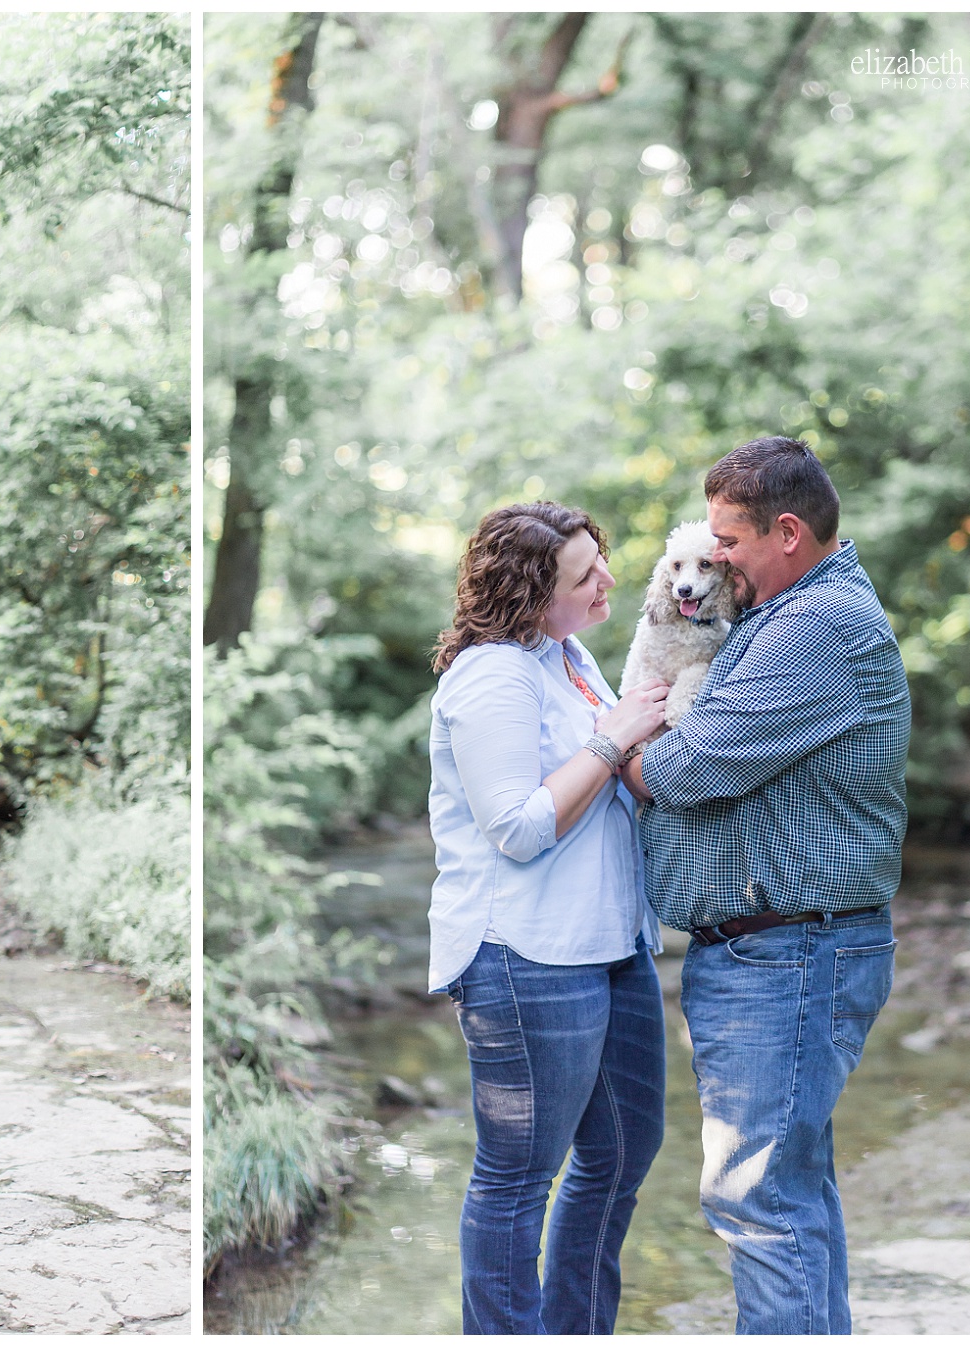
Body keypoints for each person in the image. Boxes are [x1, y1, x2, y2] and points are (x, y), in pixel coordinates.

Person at [622, 436, 909, 1335]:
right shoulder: (782, 615)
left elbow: (692, 766)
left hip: (788, 954)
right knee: (791, 1192)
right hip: (779, 950)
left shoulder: (815, 628)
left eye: (728, 544)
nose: (716, 563)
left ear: (787, 533)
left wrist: (622, 754)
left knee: (760, 1202)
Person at [427, 501, 672, 1334]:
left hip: (611, 946)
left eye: (600, 558)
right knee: (517, 1178)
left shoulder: (568, 655)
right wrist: (610, 741)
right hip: (523, 953)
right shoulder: (494, 673)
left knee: (621, 1155)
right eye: (583, 574)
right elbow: (520, 828)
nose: (608, 577)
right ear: (533, 597)